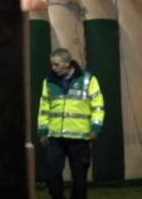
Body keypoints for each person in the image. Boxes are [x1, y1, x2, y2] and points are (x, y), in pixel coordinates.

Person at [38, 48, 104, 199]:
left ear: (67, 64)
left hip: (80, 137)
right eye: (52, 65)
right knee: (52, 174)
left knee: (80, 178)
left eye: (56, 64)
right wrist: (42, 132)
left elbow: (98, 106)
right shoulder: (48, 81)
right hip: (55, 137)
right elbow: (44, 108)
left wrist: (95, 128)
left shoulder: (88, 79)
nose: (53, 68)